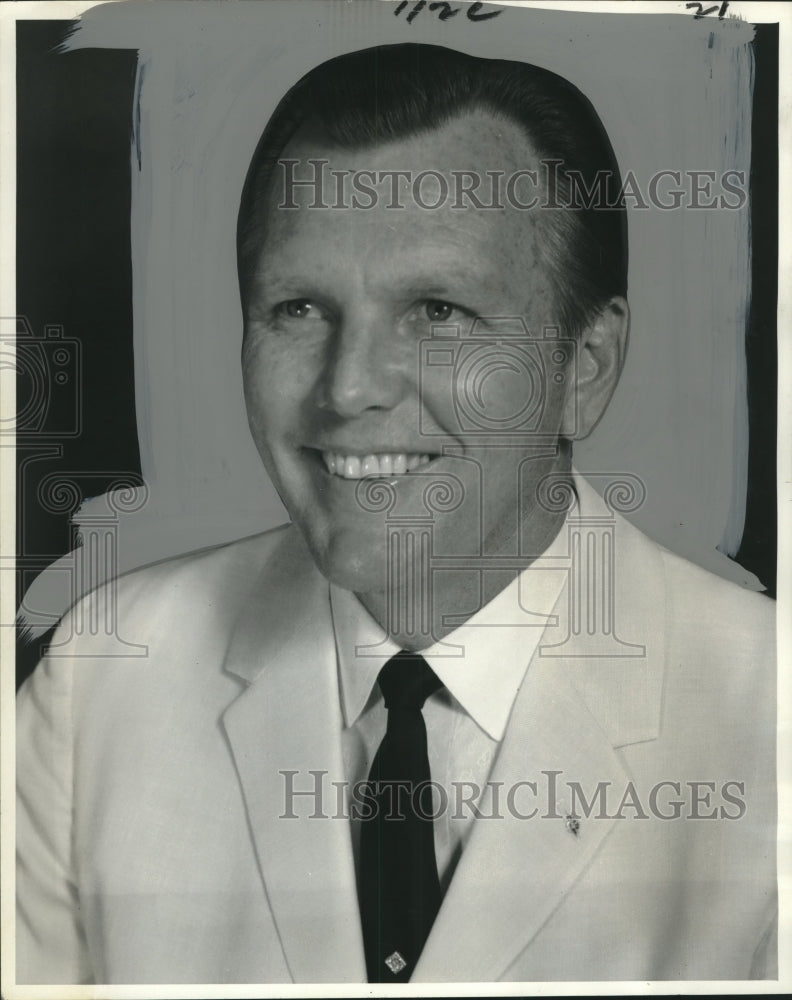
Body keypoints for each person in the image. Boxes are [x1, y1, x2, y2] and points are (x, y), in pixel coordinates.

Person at [16, 43, 776, 984]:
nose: (349, 388)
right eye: (297, 308)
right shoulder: (103, 673)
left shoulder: (765, 712)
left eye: (439, 312)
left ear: (585, 368)